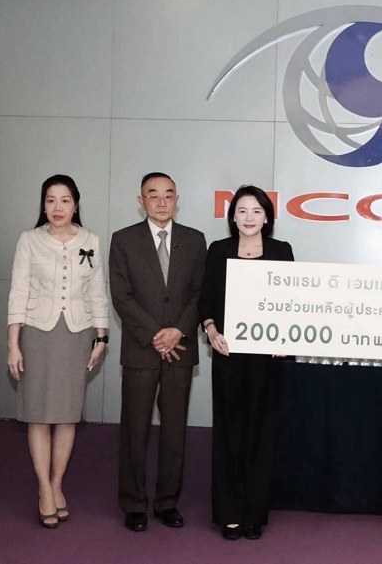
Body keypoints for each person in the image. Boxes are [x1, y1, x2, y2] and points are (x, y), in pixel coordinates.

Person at [7, 174, 109, 529]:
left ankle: (56, 483)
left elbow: (98, 292)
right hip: (36, 333)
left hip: (77, 334)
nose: (57, 207)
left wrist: (101, 338)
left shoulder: (91, 240)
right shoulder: (29, 240)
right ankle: (43, 488)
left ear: (75, 204)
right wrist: (13, 344)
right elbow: (18, 293)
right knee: (38, 414)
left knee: (67, 416)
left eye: (65, 200)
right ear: (43, 205)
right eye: (50, 200)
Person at [109, 172, 206, 532]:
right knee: (135, 430)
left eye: (168, 195)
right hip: (141, 349)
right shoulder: (123, 240)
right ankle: (133, 502)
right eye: (153, 195)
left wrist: (178, 330)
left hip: (180, 347)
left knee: (174, 430)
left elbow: (200, 293)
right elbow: (121, 296)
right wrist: (154, 334)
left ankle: (167, 501)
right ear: (141, 201)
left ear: (177, 199)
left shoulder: (195, 240)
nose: (162, 202)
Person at [198, 185, 294, 541]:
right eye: (241, 211)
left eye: (256, 211)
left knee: (261, 434)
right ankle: (230, 513)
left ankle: (255, 513)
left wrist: (286, 338)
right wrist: (211, 330)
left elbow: (292, 301)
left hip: (267, 359)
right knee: (229, 434)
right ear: (232, 217)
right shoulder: (218, 250)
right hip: (229, 355)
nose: (249, 217)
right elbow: (206, 299)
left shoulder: (281, 251)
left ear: (266, 217)